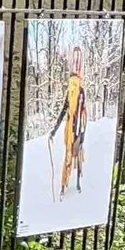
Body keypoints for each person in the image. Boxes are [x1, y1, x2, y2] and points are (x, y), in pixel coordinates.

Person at [49, 43, 88, 202]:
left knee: (77, 155)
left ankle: (78, 183)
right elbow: (63, 111)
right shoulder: (70, 94)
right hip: (69, 131)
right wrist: (54, 130)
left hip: (79, 130)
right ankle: (63, 186)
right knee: (67, 156)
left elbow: (83, 114)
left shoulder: (81, 93)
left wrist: (83, 132)